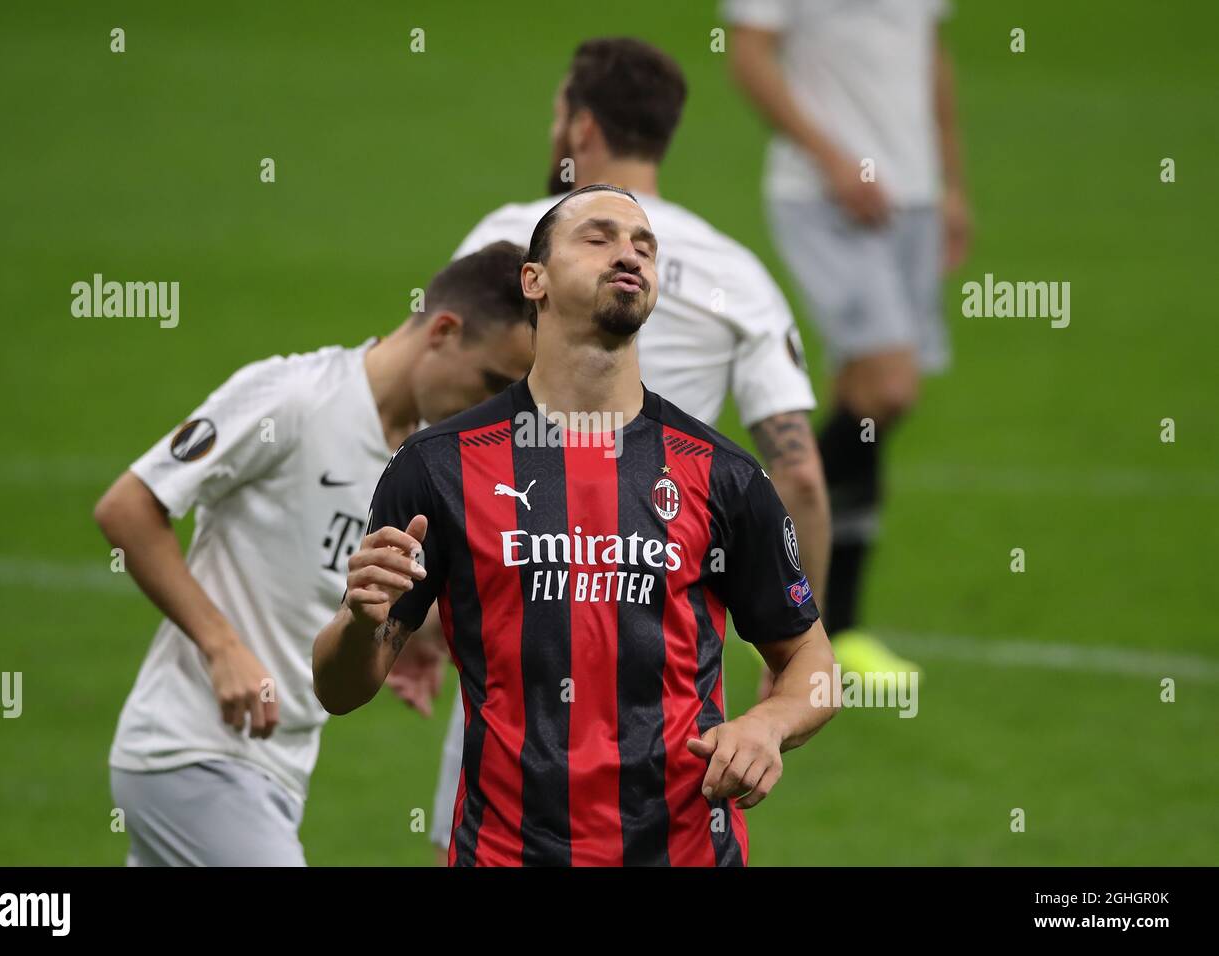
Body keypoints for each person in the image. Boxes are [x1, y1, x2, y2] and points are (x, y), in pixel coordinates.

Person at [313, 184, 838, 866]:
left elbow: (812, 662)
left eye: (644, 245)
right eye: (598, 238)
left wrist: (769, 725)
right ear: (532, 280)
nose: (629, 253)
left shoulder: (720, 474)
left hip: (682, 851)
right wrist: (359, 620)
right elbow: (341, 689)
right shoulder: (435, 469)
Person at [412, 35, 831, 863]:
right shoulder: (739, 275)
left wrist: (418, 615)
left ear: (580, 127)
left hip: (514, 595)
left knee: (485, 828)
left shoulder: (509, 234)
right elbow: (804, 477)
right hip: (662, 609)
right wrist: (784, 642)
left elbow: (431, 395)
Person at [97, 242, 534, 866]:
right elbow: (129, 507)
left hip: (275, 769)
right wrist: (223, 648)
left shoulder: (420, 461)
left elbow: (332, 576)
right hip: (192, 753)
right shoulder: (295, 399)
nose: (491, 410)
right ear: (443, 331)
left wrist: (411, 636)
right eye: (492, 382)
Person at [724, 0, 972, 674]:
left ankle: (832, 621)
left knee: (863, 399)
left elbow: (931, 54)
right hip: (827, 196)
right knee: (889, 388)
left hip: (911, 199)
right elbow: (748, 53)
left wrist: (950, 182)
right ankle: (749, 548)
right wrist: (832, 159)